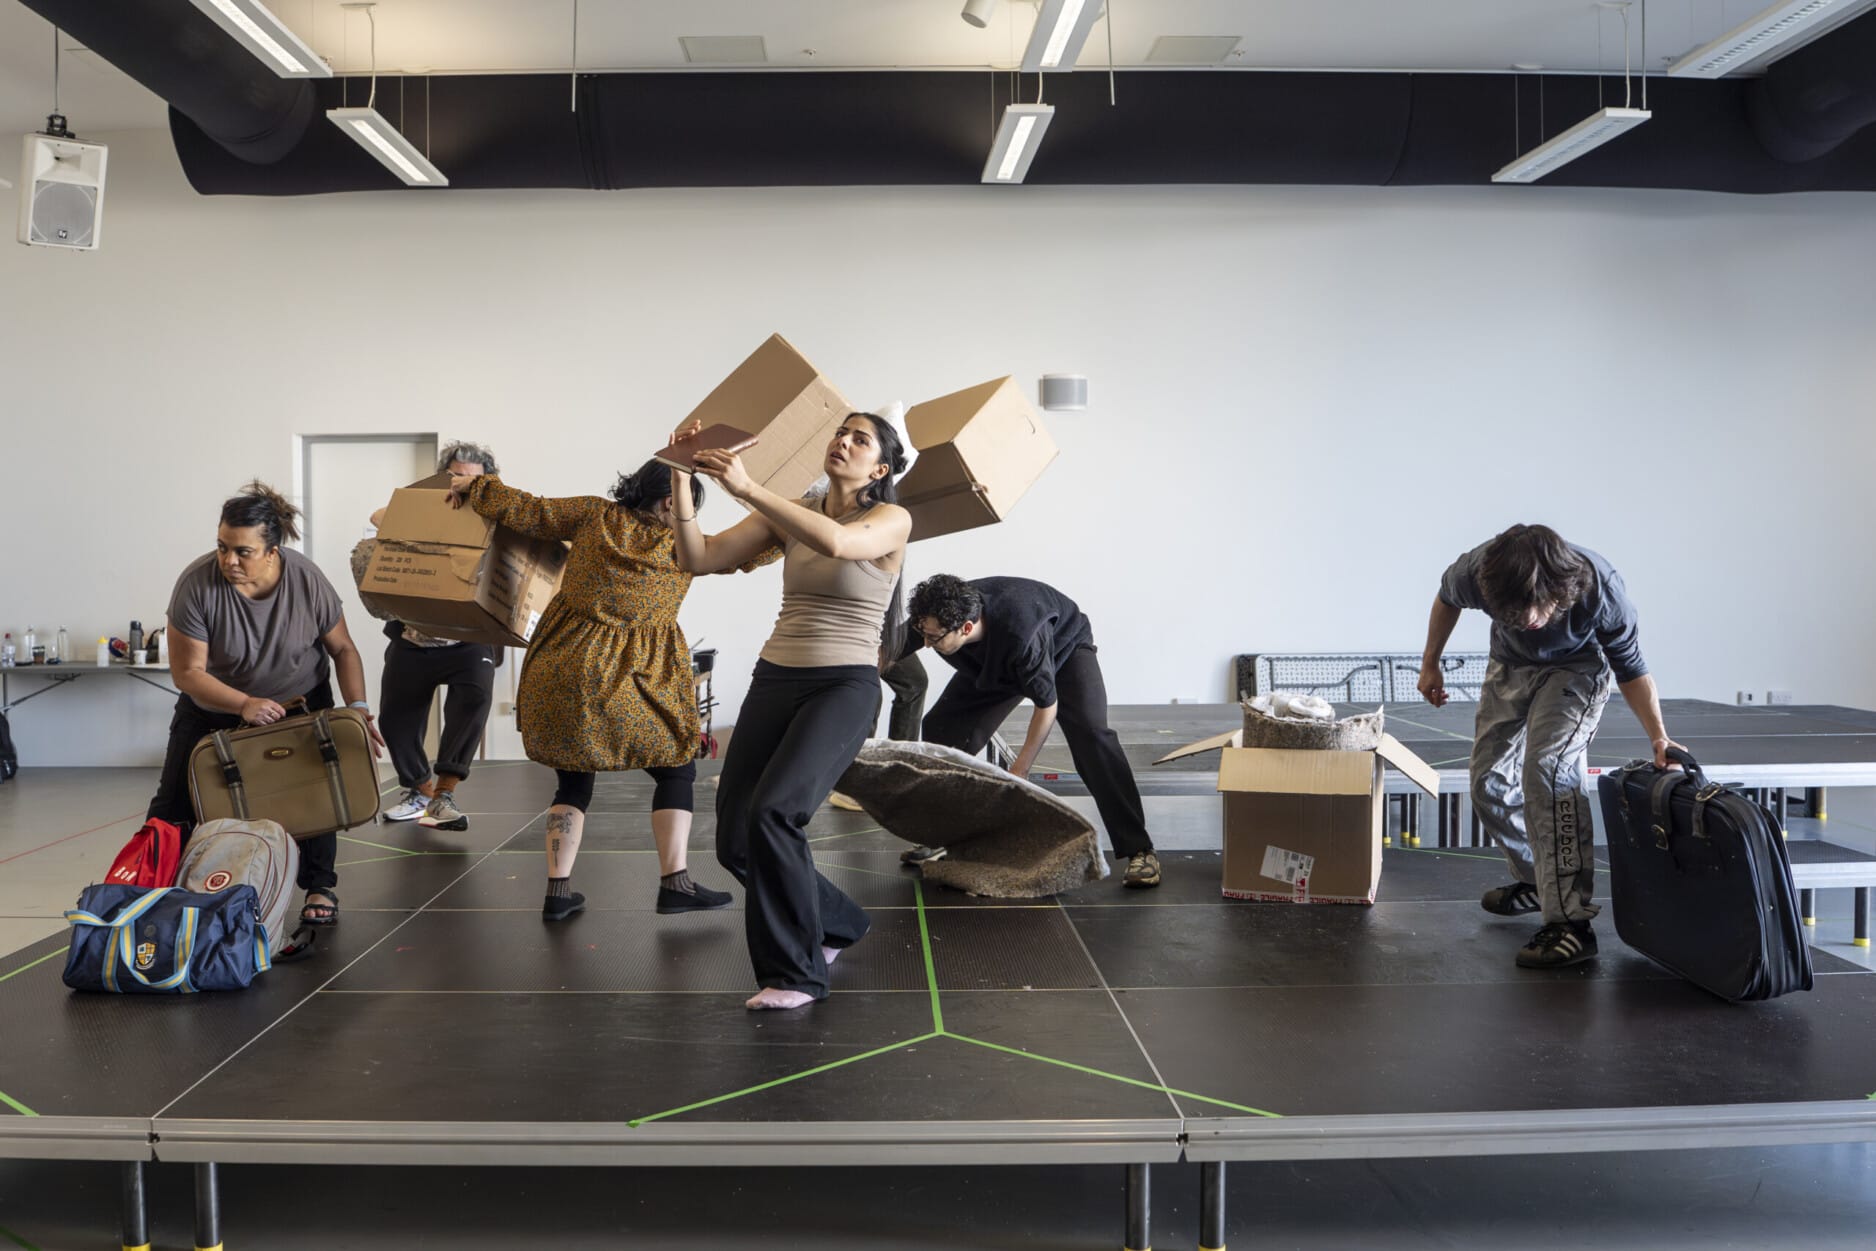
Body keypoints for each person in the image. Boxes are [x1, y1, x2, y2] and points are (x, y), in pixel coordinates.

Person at [673, 411, 913, 1011]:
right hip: (777, 677)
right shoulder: (793, 513)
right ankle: (839, 923)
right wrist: (680, 476)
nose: (845, 441)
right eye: (841, 432)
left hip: (844, 685)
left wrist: (748, 487)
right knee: (735, 838)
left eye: (861, 440)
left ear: (879, 467)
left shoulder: (889, 518)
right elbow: (699, 558)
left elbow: (837, 542)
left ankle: (797, 975)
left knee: (777, 812)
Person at [450, 457, 756, 921]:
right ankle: (676, 883)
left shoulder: (594, 514)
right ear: (673, 502)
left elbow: (527, 510)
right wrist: (797, 521)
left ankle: (557, 892)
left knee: (573, 778)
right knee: (676, 769)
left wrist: (478, 486)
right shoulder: (685, 545)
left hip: (564, 664)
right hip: (637, 675)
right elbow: (749, 551)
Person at [1419, 523, 1682, 969]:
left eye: (1535, 612)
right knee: (1487, 783)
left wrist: (1659, 735)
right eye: (1512, 615)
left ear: (1560, 590)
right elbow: (1446, 599)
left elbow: (1632, 668)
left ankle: (1571, 923)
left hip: (1576, 670)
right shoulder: (1478, 571)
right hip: (1509, 665)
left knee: (1547, 770)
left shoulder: (1601, 588)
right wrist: (1431, 665)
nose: (1528, 622)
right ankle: (1538, 880)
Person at [148, 481, 385, 930]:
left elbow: (344, 650)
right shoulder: (196, 585)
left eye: (243, 551)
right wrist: (244, 704)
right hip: (214, 702)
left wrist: (356, 707)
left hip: (301, 695)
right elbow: (188, 674)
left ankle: (320, 885)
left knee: (316, 791)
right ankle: (150, 887)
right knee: (173, 801)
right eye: (221, 547)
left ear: (273, 551)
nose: (229, 561)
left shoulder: (307, 580)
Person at [903, 574, 1162, 889]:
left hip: (1063, 649)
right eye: (923, 633)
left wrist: (1020, 769)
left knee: (1092, 737)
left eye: (933, 638)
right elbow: (884, 652)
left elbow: (1046, 706)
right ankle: (945, 835)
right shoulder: (935, 614)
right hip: (994, 660)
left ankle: (1139, 849)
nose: (926, 644)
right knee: (940, 730)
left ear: (965, 628)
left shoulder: (1022, 633)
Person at [352, 441, 503, 832]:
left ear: (489, 481)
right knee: (397, 723)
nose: (464, 485)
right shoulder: (426, 509)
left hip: (468, 639)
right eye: (456, 476)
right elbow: (377, 516)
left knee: (474, 700)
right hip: (414, 637)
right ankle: (422, 793)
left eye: (473, 479)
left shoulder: (501, 515)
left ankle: (445, 794)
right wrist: (432, 511)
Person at [827, 648, 929, 810]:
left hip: (887, 629)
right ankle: (854, 783)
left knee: (914, 682)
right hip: (852, 629)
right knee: (869, 692)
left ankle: (898, 775)